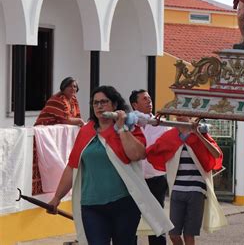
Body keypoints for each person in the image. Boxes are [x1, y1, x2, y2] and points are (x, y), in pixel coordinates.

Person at [48, 85, 172, 244]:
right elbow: (72, 166)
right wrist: (57, 198)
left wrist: (121, 129)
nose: (99, 106)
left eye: (104, 102)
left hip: (124, 204)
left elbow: (137, 154)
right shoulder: (86, 131)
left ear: (114, 105)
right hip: (91, 205)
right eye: (95, 103)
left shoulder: (130, 127)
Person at [147, 116, 227, 245]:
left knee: (189, 235)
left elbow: (216, 154)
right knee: (173, 234)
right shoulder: (170, 135)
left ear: (190, 117)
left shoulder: (200, 133)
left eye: (183, 113)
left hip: (196, 191)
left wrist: (198, 134)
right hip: (176, 190)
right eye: (178, 113)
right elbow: (154, 151)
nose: (180, 116)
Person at [130, 89, 170, 245]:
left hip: (155, 178)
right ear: (134, 104)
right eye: (144, 99)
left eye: (150, 99)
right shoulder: (128, 124)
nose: (149, 101)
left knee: (156, 219)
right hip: (134, 178)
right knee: (131, 219)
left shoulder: (161, 123)